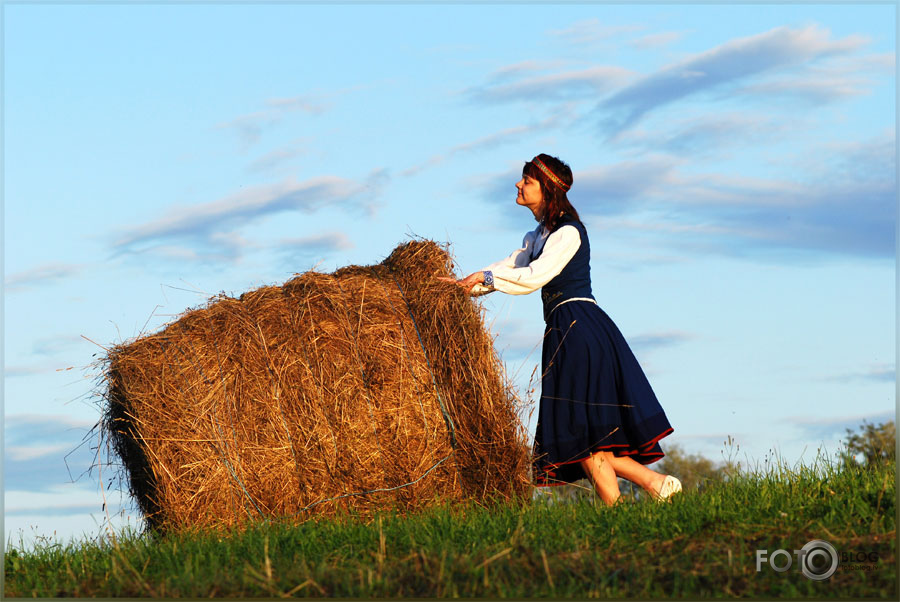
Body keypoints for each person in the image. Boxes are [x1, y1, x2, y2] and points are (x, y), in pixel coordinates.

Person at [440, 154, 682, 505]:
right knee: (583, 434)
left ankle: (650, 485)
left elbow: (535, 276)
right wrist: (465, 285)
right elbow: (510, 267)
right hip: (562, 329)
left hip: (581, 328)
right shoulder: (536, 236)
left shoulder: (568, 232)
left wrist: (487, 278)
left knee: (577, 431)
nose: (518, 184)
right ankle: (636, 499)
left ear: (548, 188)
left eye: (527, 180)